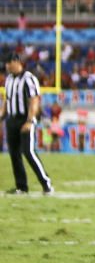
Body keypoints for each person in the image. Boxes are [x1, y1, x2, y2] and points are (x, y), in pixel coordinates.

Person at [2, 52, 54, 195]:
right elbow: (7, 100)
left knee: (28, 152)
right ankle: (21, 187)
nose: (6, 66)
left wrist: (30, 121)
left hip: (25, 119)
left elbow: (34, 100)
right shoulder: (8, 80)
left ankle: (46, 184)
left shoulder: (29, 78)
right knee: (14, 154)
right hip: (12, 119)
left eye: (8, 62)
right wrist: (1, 116)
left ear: (16, 61)